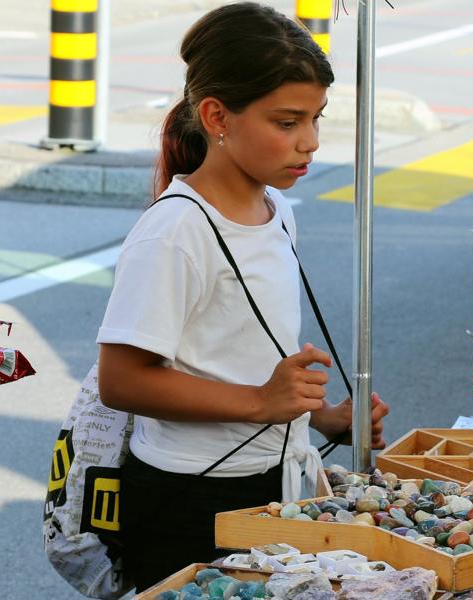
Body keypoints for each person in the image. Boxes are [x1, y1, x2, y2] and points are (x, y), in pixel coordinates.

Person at [96, 2, 390, 589]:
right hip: (189, 498)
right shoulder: (175, 231)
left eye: (316, 119)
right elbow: (122, 382)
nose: (308, 142)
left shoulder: (276, 209)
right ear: (216, 117)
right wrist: (261, 401)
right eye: (286, 123)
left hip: (273, 483)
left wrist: (323, 418)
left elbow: (249, 366)